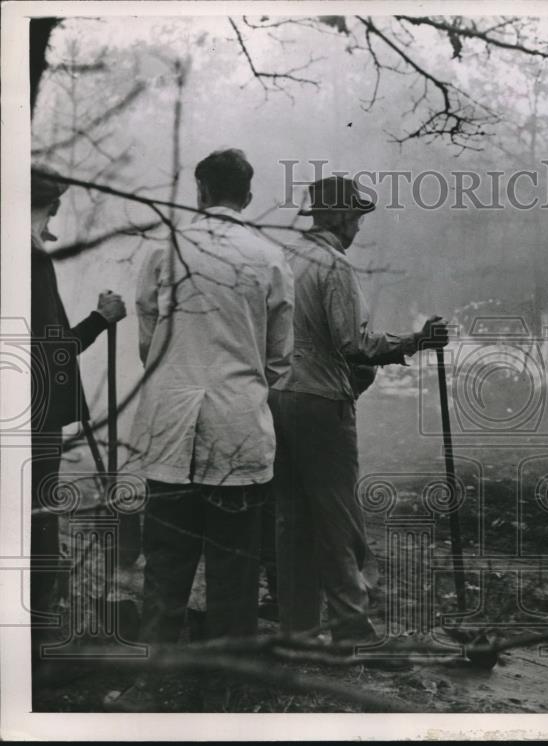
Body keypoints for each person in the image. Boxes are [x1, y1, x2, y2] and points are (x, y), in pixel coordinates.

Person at [116, 149, 294, 710]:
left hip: (171, 429)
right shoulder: (269, 256)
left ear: (199, 190)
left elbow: (148, 336)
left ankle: (151, 681)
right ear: (246, 195)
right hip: (238, 432)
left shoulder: (165, 249)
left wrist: (176, 374)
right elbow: (279, 359)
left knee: (166, 561)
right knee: (234, 567)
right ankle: (224, 685)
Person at [270, 174, 448, 641]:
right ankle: (352, 627)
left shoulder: (284, 259)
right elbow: (354, 344)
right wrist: (417, 340)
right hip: (322, 404)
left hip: (279, 399)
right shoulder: (334, 267)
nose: (357, 227)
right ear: (335, 216)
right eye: (353, 215)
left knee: (292, 518)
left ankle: (298, 630)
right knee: (337, 516)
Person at [30, 165, 127, 666]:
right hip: (33, 421)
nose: (54, 220)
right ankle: (38, 652)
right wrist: (100, 319)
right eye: (52, 207)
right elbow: (52, 354)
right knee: (37, 526)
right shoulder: (28, 260)